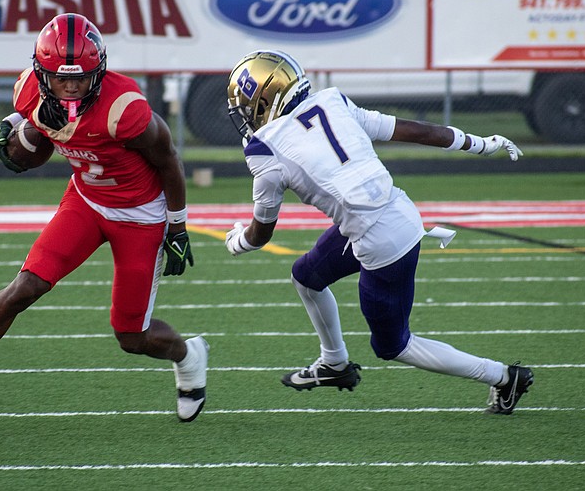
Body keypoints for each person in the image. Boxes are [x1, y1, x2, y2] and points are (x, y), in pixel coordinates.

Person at [0, 13, 207, 423]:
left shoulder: (124, 108)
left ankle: (189, 356)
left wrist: (178, 225)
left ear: (100, 70)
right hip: (85, 201)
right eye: (61, 78)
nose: (72, 86)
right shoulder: (29, 91)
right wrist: (34, 128)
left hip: (140, 215)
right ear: (43, 73)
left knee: (132, 337)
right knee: (24, 287)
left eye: (81, 77)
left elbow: (169, 161)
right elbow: (24, 159)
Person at [223, 50, 533, 415]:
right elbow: (418, 131)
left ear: (263, 103)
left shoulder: (265, 150)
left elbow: (262, 232)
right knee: (306, 276)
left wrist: (238, 241)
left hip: (382, 240)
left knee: (393, 345)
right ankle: (334, 364)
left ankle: (503, 376)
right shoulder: (332, 101)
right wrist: (480, 144)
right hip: (391, 213)